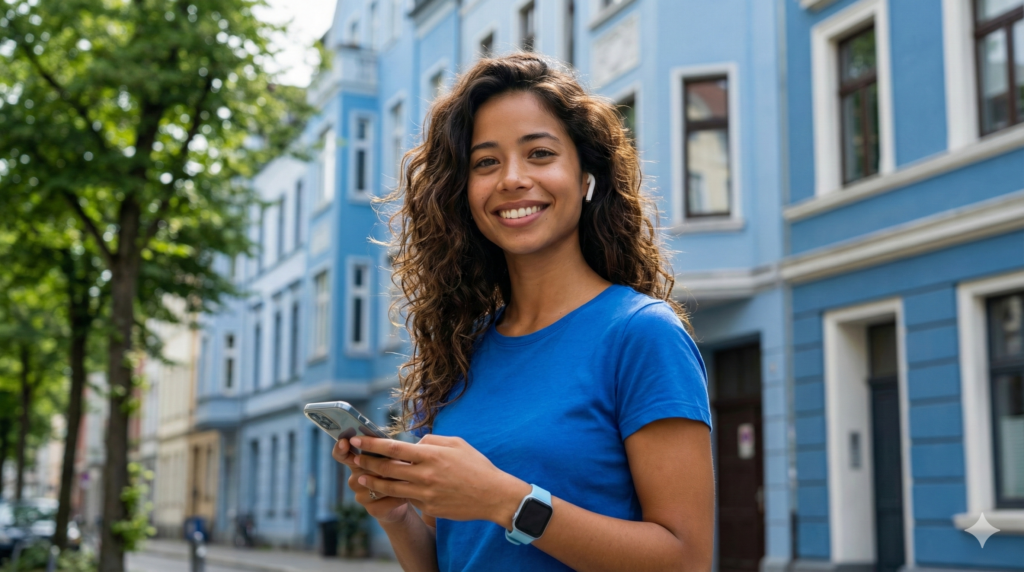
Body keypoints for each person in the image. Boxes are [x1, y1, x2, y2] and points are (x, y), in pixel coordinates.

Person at [332, 53, 714, 572]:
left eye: (539, 153)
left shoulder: (642, 335)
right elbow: (454, 559)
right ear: (464, 194)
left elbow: (686, 559)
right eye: (486, 162)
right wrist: (397, 514)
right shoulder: (458, 353)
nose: (512, 179)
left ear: (586, 177)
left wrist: (504, 500)